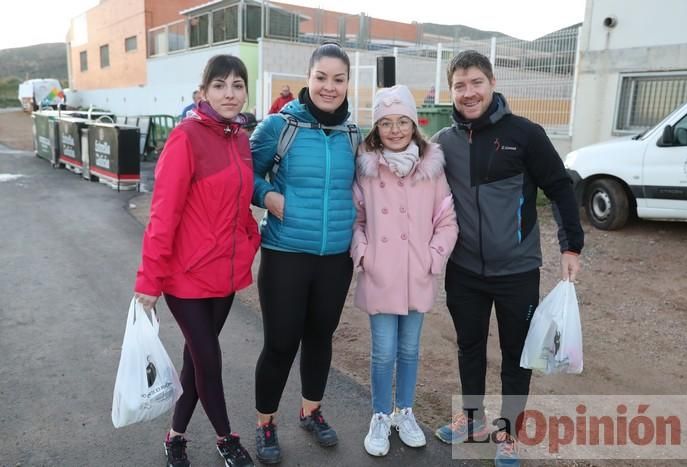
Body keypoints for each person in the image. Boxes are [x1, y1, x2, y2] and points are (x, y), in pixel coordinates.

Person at [431, 50, 583, 466]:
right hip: (463, 271)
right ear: (451, 90)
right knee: (469, 347)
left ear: (492, 82)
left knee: (518, 354)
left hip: (516, 271)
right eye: (460, 85)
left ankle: (508, 433)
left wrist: (571, 246)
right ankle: (472, 418)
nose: (468, 92)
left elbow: (560, 187)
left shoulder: (525, 134)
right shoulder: (443, 143)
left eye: (476, 82)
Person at [134, 54, 260, 467]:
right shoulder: (186, 137)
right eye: (220, 85)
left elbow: (240, 205)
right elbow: (163, 213)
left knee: (195, 362)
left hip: (221, 277)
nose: (230, 93)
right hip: (184, 278)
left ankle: (175, 437)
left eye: (237, 84)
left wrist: (250, 238)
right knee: (209, 359)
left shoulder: (239, 137)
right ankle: (227, 439)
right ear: (203, 92)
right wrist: (149, 281)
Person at [250, 43, 357, 464]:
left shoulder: (353, 134)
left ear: (348, 83)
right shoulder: (279, 126)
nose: (330, 87)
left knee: (320, 338)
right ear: (308, 80)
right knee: (280, 343)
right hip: (286, 252)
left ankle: (311, 411)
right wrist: (269, 196)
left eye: (339, 79)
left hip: (335, 257)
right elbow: (248, 173)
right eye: (322, 78)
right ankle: (265, 423)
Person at [351, 85, 458, 457]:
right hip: (381, 274)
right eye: (385, 123)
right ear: (376, 127)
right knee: (383, 352)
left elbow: (447, 220)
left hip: (416, 274)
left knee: (410, 350)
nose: (395, 130)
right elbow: (357, 218)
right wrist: (364, 254)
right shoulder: (366, 167)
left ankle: (405, 412)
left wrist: (433, 258)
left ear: (414, 124)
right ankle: (380, 415)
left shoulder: (431, 169)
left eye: (402, 122)